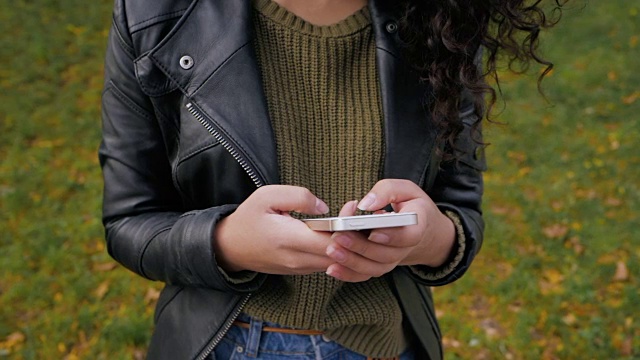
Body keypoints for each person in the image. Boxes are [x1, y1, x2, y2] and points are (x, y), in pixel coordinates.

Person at [99, 0, 563, 359]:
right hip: (223, 344)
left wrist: (427, 237)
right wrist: (226, 243)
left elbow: (461, 213)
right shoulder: (154, 15)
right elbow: (129, 220)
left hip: (384, 345)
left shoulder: (444, 19)